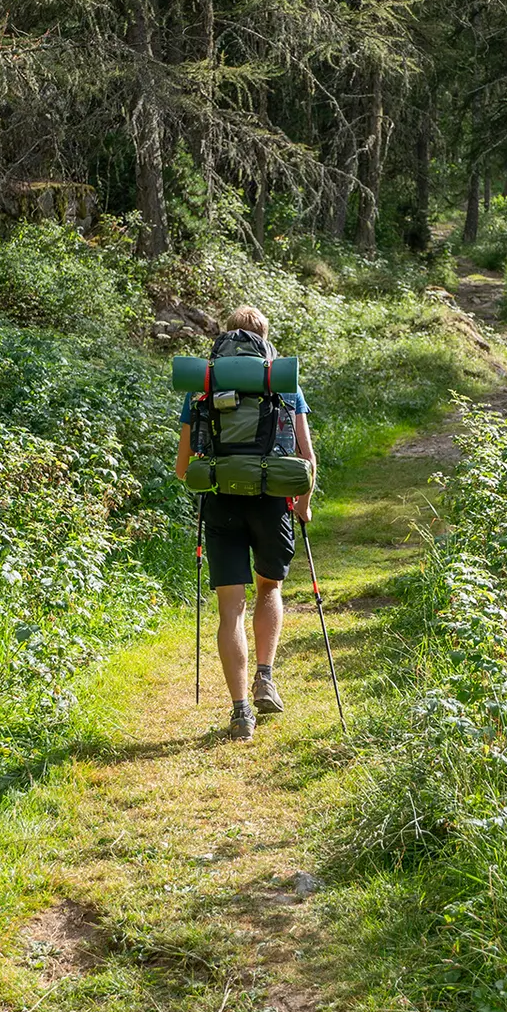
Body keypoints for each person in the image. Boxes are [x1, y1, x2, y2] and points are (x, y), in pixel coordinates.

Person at [175, 306, 315, 741]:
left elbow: (183, 468)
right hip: (272, 499)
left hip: (220, 503)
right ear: (265, 339)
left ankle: (240, 713)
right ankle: (265, 677)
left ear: (223, 338)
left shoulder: (202, 386)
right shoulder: (281, 383)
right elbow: (306, 458)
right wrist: (303, 505)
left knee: (229, 607)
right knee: (268, 588)